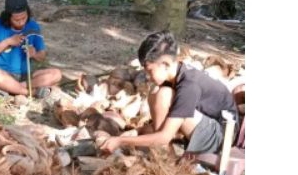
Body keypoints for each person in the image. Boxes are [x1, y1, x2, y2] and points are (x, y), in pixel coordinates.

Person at [101, 30, 238, 156]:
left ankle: (167, 158)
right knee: (156, 94)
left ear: (165, 64)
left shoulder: (189, 85)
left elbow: (165, 135)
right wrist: (137, 131)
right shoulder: (177, 75)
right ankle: (166, 152)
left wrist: (121, 141)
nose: (147, 76)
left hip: (221, 137)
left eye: (150, 70)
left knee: (163, 95)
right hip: (206, 126)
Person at [0, 0, 62, 99]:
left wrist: (34, 54)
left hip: (27, 76)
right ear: (8, 17)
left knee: (56, 74)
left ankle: (14, 89)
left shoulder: (33, 26)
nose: (21, 22)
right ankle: (31, 93)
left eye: (24, 18)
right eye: (16, 20)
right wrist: (7, 42)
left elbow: (42, 56)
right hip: (5, 74)